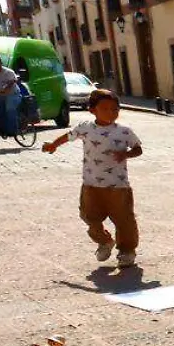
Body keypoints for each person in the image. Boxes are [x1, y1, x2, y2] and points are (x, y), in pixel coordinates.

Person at [41, 88, 142, 267]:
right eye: (105, 109)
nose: (111, 113)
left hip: (118, 186)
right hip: (91, 184)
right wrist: (53, 145)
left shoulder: (124, 131)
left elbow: (138, 149)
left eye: (115, 109)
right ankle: (104, 241)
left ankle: (127, 251)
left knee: (124, 219)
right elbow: (68, 136)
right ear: (92, 110)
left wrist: (125, 155)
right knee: (89, 216)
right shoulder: (86, 128)